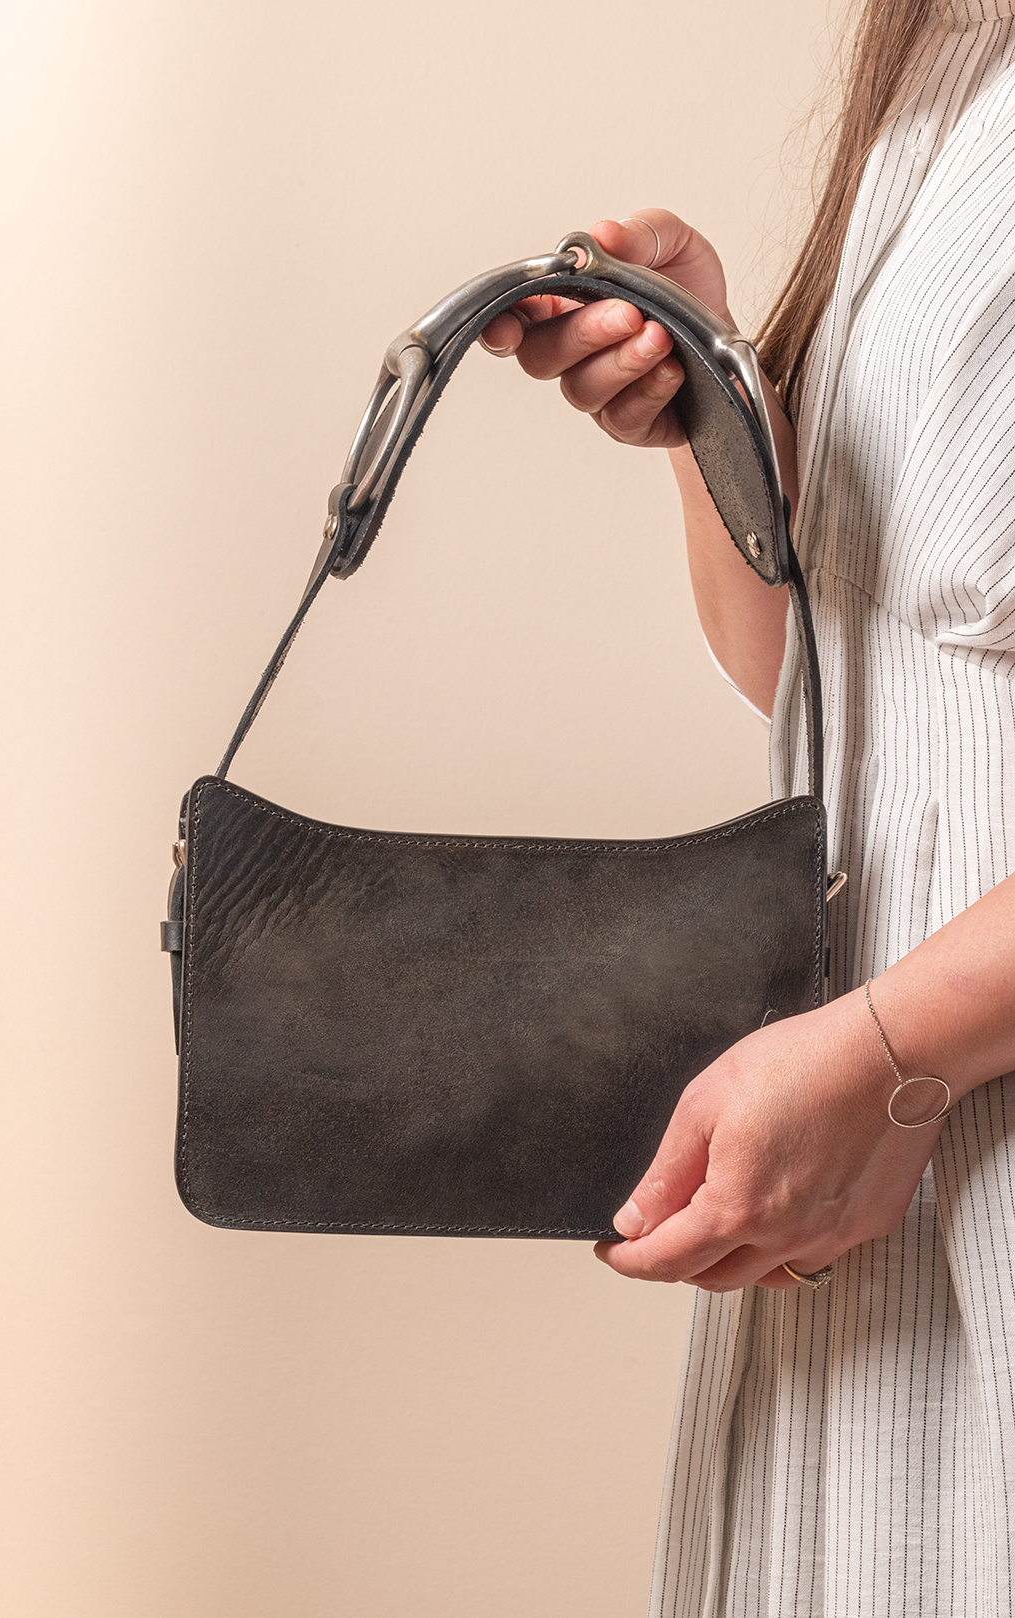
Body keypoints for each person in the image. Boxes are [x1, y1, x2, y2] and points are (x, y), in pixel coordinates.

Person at [483, 1, 1015, 1613]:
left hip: (911, 1105)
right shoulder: (947, 56)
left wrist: (889, 1061)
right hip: (867, 1187)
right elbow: (818, 668)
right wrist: (711, 398)